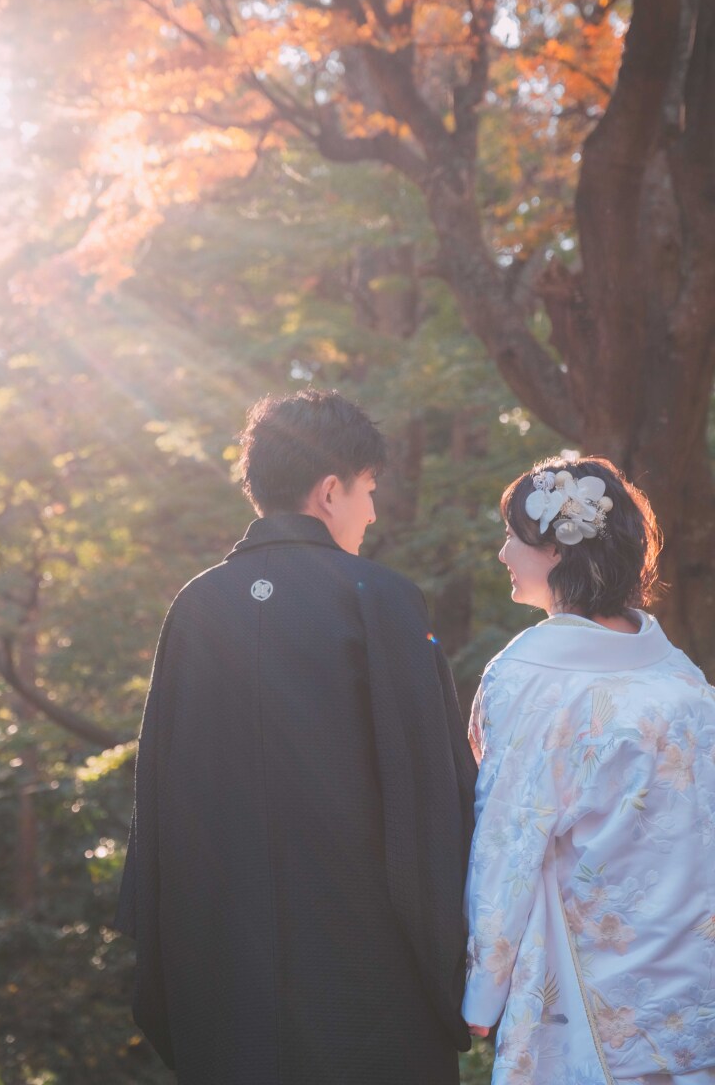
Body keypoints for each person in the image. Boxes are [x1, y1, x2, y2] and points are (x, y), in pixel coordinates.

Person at [115, 388, 477, 1085]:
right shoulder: (380, 598)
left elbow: (159, 805)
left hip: (224, 976)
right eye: (369, 489)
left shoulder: (196, 606)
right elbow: (433, 793)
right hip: (367, 980)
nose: (372, 511)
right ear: (331, 490)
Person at [462, 455, 715, 1085]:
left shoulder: (529, 679)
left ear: (554, 549)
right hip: (694, 973)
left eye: (513, 537)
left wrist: (481, 990)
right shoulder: (682, 676)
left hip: (585, 974)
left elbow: (508, 840)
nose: (503, 554)